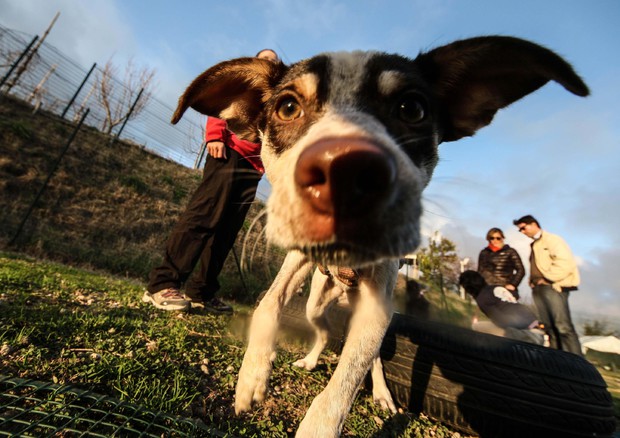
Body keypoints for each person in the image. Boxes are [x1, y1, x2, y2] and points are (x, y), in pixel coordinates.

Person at [142, 49, 281, 313]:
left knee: (227, 231)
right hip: (229, 154)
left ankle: (201, 292)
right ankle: (162, 284)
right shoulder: (245, 83)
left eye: (275, 61)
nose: (271, 64)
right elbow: (223, 105)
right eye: (266, 59)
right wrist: (215, 136)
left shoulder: (274, 95)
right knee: (203, 217)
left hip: (254, 168)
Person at [513, 215, 582, 356]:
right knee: (549, 328)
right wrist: (533, 282)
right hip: (539, 289)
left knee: (563, 327)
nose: (522, 232)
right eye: (520, 230)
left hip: (553, 287)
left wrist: (548, 279)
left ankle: (577, 363)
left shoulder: (552, 240)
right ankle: (557, 361)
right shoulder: (535, 244)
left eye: (523, 228)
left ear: (533, 224)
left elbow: (565, 262)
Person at [459, 270, 546, 345]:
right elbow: (515, 295)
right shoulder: (495, 287)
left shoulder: (482, 299)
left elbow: (501, 320)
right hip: (533, 321)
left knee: (476, 326)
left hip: (524, 330)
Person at [477, 227, 525, 300]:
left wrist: (513, 284)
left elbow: (521, 269)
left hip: (504, 288)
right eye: (492, 238)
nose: (495, 240)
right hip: (487, 288)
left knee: (506, 310)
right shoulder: (484, 253)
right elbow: (480, 271)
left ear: (502, 238)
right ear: (488, 239)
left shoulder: (510, 251)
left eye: (498, 238)